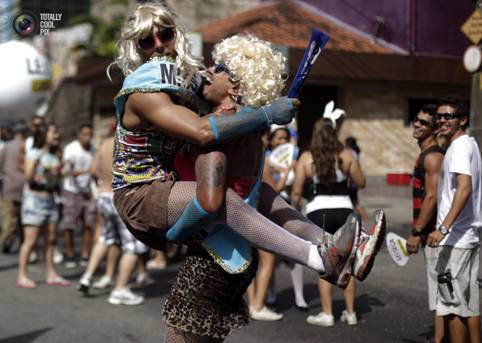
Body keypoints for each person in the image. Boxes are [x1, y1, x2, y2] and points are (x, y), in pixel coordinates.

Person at [110, 4, 384, 341]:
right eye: (145, 41)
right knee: (221, 198)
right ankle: (320, 259)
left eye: (165, 34)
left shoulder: (192, 95)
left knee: (263, 193)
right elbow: (202, 134)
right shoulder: (143, 94)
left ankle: (330, 249)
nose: (159, 44)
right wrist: (266, 114)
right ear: (133, 48)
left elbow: (245, 178)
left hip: (205, 232)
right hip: (142, 192)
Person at [291, 117, 380, 327]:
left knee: (325, 263)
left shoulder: (306, 157)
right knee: (348, 262)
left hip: (317, 212)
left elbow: (296, 191)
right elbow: (362, 182)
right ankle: (350, 313)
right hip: (344, 210)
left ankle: (327, 313)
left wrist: (296, 210)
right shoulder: (345, 155)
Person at [426, 97, 481, 343]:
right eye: (440, 116)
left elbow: (464, 188)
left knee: (452, 307)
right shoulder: (470, 144)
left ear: (463, 120)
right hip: (469, 237)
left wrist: (443, 228)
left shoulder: (459, 147)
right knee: (469, 303)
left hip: (455, 239)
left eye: (449, 116)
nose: (442, 120)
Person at [78, 129, 149, 305]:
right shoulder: (131, 142)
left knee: (105, 238)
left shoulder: (105, 143)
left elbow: (94, 169)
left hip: (103, 195)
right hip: (121, 198)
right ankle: (120, 289)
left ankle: (87, 276)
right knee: (133, 245)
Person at [405, 105, 445, 342]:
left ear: (434, 130)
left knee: (438, 293)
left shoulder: (432, 157)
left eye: (424, 123)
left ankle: (440, 339)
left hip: (434, 233)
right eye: (416, 120)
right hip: (429, 232)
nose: (417, 124)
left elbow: (432, 197)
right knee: (436, 291)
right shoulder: (426, 155)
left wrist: (417, 231)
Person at [17, 123, 70, 288]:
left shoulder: (54, 156)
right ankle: (22, 275)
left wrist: (60, 172)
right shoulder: (34, 153)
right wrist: (46, 172)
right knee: (30, 241)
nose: (57, 135)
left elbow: (56, 179)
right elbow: (28, 176)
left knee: (51, 240)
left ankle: (51, 273)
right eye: (53, 132)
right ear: (44, 135)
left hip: (51, 200)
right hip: (35, 200)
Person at [60, 124, 96, 268]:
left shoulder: (93, 148)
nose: (88, 137)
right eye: (85, 134)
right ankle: (69, 254)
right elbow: (66, 171)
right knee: (69, 224)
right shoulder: (71, 149)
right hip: (72, 191)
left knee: (89, 223)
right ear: (79, 135)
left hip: (88, 191)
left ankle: (85, 254)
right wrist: (87, 171)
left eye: (90, 134)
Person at [0, 121, 28, 253]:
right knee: (23, 222)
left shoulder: (7, 146)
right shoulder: (28, 146)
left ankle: (6, 243)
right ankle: (24, 247)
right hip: (25, 187)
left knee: (8, 221)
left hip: (9, 187)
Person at [344, 136, 369, 223]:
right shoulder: (355, 152)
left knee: (354, 203)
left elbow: (351, 169)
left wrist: (349, 181)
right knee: (354, 202)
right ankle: (361, 221)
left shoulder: (350, 153)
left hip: (352, 182)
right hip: (354, 182)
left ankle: (367, 221)